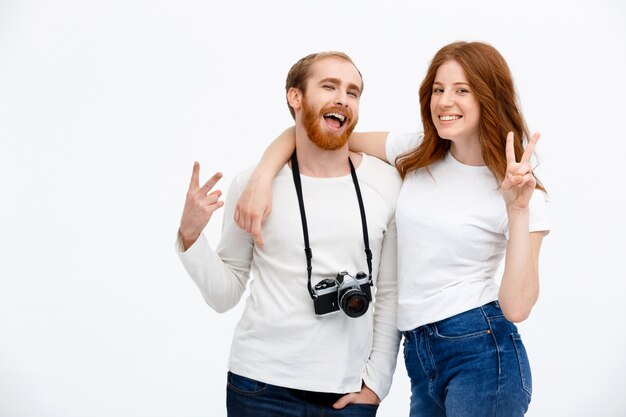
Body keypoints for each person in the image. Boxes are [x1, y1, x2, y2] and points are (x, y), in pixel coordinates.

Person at [234, 41, 550, 417]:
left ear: (489, 97)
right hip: (419, 356)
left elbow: (517, 307)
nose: (445, 101)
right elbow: (320, 133)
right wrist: (263, 176)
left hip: (481, 351)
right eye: (438, 89)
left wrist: (518, 210)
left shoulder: (521, 190)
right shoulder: (417, 151)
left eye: (461, 90)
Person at [176, 51, 403, 417]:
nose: (343, 98)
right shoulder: (252, 185)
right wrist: (190, 237)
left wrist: (377, 383)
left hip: (347, 392)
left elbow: (391, 292)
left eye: (353, 91)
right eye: (329, 86)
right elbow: (224, 294)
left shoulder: (385, 182)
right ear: (295, 97)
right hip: (259, 386)